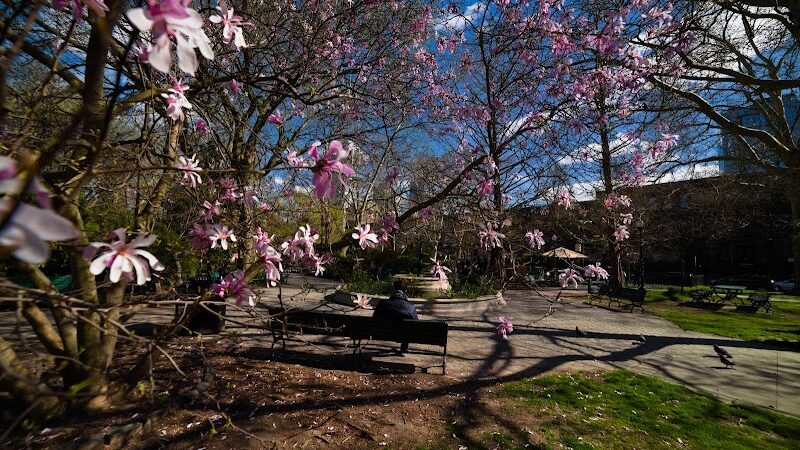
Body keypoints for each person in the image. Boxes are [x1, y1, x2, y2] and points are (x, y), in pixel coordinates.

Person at [372, 279, 418, 353]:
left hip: (382, 333)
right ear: (405, 291)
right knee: (407, 328)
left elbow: (375, 317)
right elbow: (416, 325)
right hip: (403, 335)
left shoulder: (382, 304)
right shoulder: (411, 308)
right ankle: (404, 348)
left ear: (393, 289)